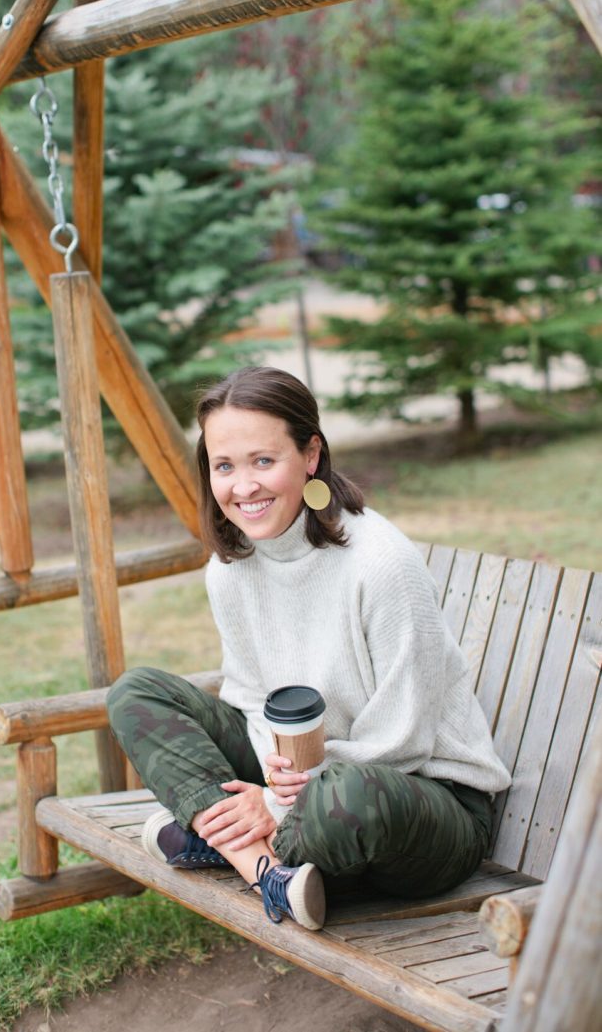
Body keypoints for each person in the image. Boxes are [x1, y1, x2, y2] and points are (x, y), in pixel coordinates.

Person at [107, 366, 511, 932]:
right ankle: (265, 870)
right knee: (137, 691)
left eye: (263, 461)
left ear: (311, 455)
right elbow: (250, 698)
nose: (242, 487)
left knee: (347, 799)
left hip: (417, 798)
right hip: (300, 780)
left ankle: (212, 835)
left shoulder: (381, 564)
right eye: (224, 466)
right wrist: (274, 779)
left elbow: (405, 739)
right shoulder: (230, 569)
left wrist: (272, 802)